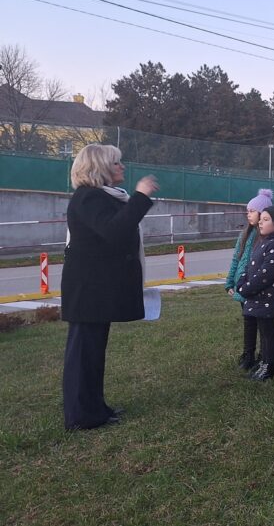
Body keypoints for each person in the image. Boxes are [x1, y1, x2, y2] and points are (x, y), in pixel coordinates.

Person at [61, 144, 158, 431]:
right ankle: (80, 416)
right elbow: (114, 231)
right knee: (83, 355)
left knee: (93, 353)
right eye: (117, 163)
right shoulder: (87, 198)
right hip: (87, 291)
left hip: (95, 291)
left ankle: (95, 408)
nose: (123, 167)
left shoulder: (100, 197)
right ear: (101, 167)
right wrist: (141, 197)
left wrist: (135, 200)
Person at [236, 204, 274, 381]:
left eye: (266, 220)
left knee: (269, 334)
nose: (260, 223)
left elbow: (266, 274)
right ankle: (263, 361)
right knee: (263, 333)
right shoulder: (266, 240)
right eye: (261, 219)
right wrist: (242, 281)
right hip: (258, 298)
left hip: (270, 298)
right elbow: (251, 267)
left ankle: (270, 366)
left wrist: (245, 288)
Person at [225, 188, 273, 371]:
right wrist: (230, 282)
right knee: (248, 321)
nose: (249, 214)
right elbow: (236, 259)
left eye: (252, 211)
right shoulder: (244, 235)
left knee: (260, 323)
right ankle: (248, 355)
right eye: (248, 211)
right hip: (242, 287)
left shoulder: (266, 237)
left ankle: (264, 355)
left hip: (257, 288)